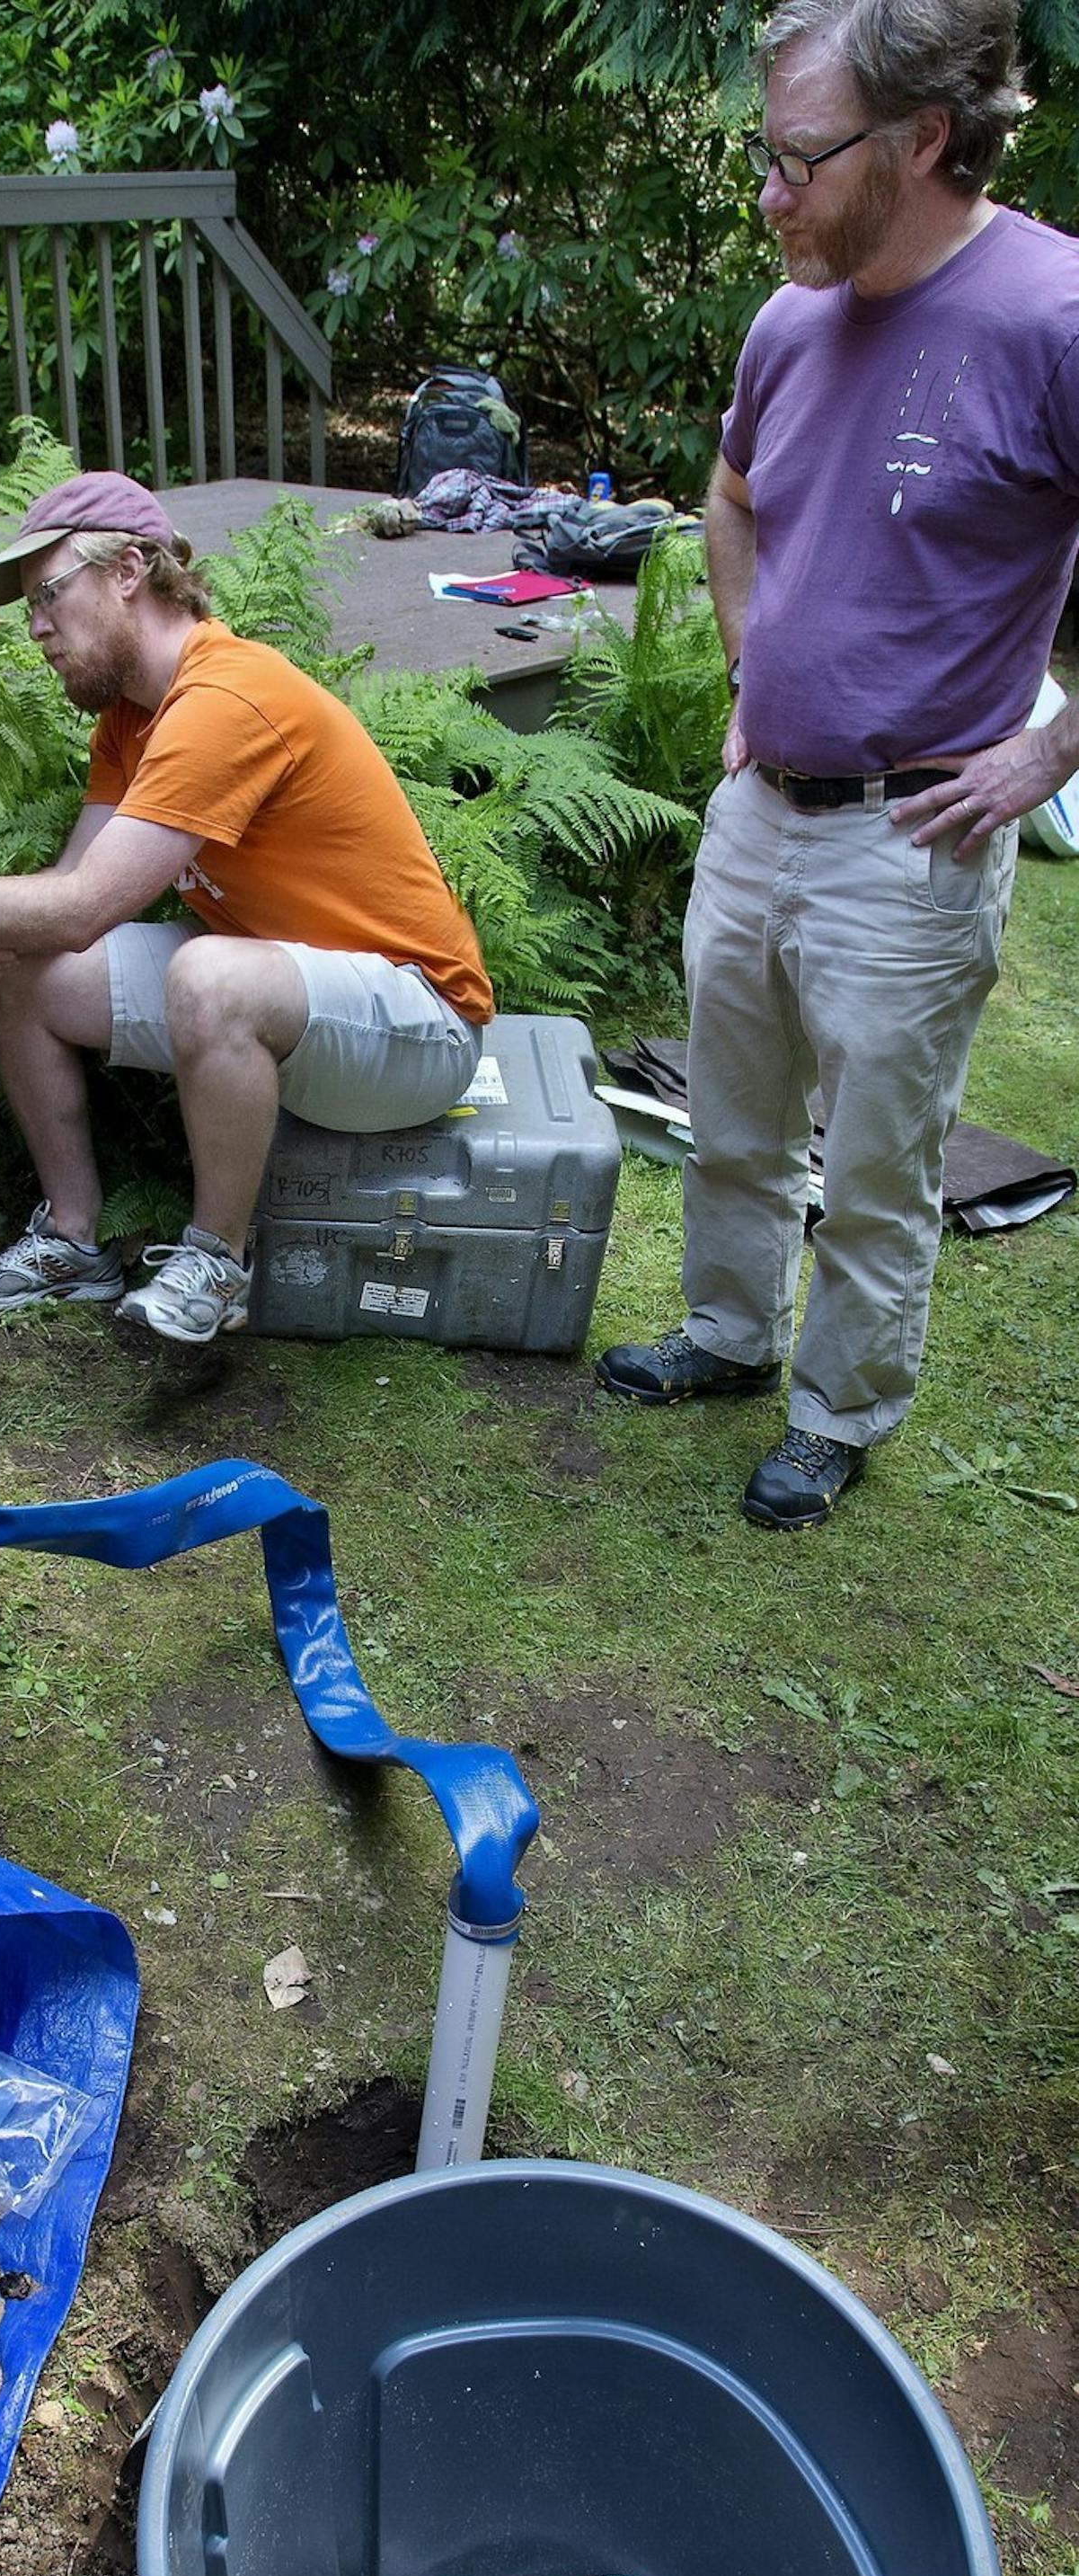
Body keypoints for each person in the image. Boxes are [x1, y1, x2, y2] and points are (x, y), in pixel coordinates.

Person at [595, 0, 1079, 1527]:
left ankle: (841, 1406)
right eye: (765, 156)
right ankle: (733, 1340)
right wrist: (750, 672)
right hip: (763, 805)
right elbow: (731, 499)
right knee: (733, 1120)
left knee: (877, 1163)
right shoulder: (791, 316)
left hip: (915, 834)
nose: (768, 195)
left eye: (798, 160)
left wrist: (1045, 755)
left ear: (924, 139)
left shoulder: (1052, 316)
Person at [0, 472, 492, 1344]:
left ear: (129, 569)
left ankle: (216, 1264)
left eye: (48, 594)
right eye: (27, 608)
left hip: (419, 1023)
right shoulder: (130, 720)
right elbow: (68, 900)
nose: (36, 627)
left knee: (207, 974)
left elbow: (79, 906)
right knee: (27, 975)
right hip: (296, 998)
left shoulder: (225, 699)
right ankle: (71, 1237)